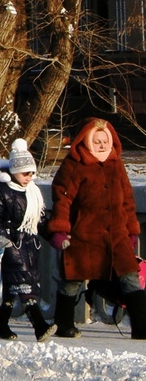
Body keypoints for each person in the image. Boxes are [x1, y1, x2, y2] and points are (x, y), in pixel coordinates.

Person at [49, 117, 146, 339]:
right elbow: (62, 200)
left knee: (130, 276)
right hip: (83, 234)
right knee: (72, 279)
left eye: (105, 140)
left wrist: (131, 229)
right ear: (86, 140)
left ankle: (142, 327)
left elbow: (127, 200)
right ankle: (63, 324)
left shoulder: (116, 164)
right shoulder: (74, 165)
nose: (102, 145)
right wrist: (60, 229)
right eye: (98, 140)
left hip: (116, 234)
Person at [0, 138, 55, 342]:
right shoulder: (1, 190)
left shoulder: (32, 192)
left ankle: (0, 326)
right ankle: (39, 326)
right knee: (24, 283)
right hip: (11, 244)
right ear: (13, 171)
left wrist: (53, 235)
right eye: (25, 173)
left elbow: (38, 219)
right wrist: (4, 238)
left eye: (31, 173)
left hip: (29, 244)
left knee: (12, 287)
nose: (29, 177)